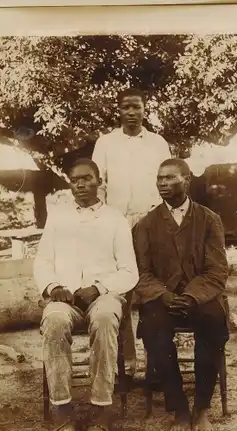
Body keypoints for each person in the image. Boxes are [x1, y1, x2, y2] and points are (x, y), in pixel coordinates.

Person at [34, 158, 139, 431]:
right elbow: (42, 261)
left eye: (86, 179)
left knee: (106, 318)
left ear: (99, 181)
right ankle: (62, 414)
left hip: (103, 295)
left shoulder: (115, 218)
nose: (80, 185)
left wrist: (99, 288)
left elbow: (129, 271)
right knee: (54, 322)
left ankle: (101, 413)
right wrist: (54, 287)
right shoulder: (58, 217)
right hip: (64, 298)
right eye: (74, 180)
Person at [133, 158, 229, 431]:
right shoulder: (146, 225)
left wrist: (191, 296)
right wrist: (163, 295)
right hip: (162, 298)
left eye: (170, 178)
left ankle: (201, 407)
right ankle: (179, 408)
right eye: (159, 178)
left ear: (187, 180)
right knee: (154, 330)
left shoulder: (209, 219)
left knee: (212, 321)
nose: (162, 183)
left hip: (199, 297)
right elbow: (141, 271)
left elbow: (217, 270)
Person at [92, 88, 171, 377]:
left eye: (137, 107)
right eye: (126, 107)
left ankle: (156, 364)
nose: (132, 112)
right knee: (119, 291)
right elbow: (99, 184)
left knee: (151, 289)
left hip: (151, 222)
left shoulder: (158, 143)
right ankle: (125, 363)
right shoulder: (106, 143)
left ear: (144, 109)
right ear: (119, 110)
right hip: (116, 222)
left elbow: (166, 181)